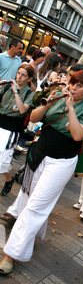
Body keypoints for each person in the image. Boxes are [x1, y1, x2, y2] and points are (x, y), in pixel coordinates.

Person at [0, 70, 83, 275]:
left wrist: (71, 108)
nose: (73, 88)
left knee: (36, 205)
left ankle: (12, 253)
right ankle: (31, 234)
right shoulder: (57, 97)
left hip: (61, 162)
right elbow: (33, 117)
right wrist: (49, 102)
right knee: (29, 198)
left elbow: (78, 135)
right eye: (72, 83)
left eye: (79, 86)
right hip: (40, 153)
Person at [0, 63, 35, 196]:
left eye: (23, 75)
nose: (19, 77)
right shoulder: (7, 86)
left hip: (11, 130)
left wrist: (15, 91)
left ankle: (8, 180)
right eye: (18, 73)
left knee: (3, 161)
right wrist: (3, 86)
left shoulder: (29, 93)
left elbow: (22, 110)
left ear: (29, 78)